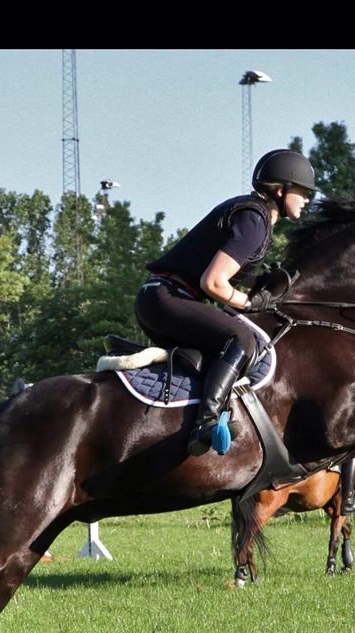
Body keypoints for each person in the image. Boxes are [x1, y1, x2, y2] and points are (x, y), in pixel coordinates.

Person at [135, 149, 317, 456]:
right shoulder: (254, 220)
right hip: (168, 297)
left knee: (219, 352)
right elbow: (213, 282)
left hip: (159, 298)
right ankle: (205, 423)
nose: (307, 199)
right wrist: (248, 302)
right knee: (242, 339)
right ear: (280, 189)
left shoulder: (252, 215)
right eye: (302, 192)